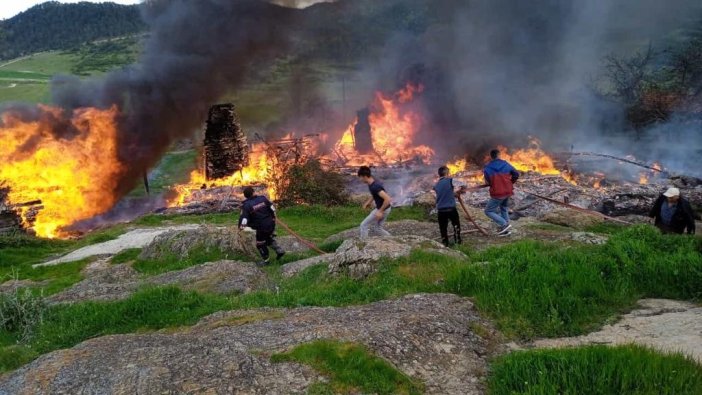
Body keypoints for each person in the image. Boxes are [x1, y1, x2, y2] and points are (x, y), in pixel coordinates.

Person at [238, 186, 285, 266]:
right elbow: (272, 209)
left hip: (261, 227)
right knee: (267, 238)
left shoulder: (246, 205)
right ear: (253, 192)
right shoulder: (263, 198)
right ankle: (279, 250)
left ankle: (266, 261)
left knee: (260, 244)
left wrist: (241, 227)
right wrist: (273, 219)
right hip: (271, 223)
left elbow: (244, 219)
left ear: (245, 196)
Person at [482, 149, 519, 235]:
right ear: (499, 155)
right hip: (508, 191)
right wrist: (510, 182)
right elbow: (516, 174)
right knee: (504, 208)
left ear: (491, 157)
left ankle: (504, 224)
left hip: (498, 193)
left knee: (488, 211)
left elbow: (488, 182)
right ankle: (506, 229)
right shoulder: (505, 164)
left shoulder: (487, 168)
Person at [433, 165, 466, 246]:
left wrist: (453, 194)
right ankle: (458, 241)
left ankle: (445, 244)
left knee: (443, 228)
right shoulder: (450, 180)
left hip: (441, 211)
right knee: (456, 225)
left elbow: (440, 195)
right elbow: (464, 184)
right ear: (447, 173)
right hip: (451, 209)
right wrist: (460, 191)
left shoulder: (436, 185)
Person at [358, 166, 393, 239]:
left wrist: (380, 211)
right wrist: (368, 202)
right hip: (387, 208)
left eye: (360, 177)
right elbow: (375, 194)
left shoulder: (375, 186)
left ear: (364, 177)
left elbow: (388, 199)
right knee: (377, 228)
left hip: (383, 209)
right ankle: (392, 239)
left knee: (363, 225)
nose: (360, 179)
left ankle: (363, 243)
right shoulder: (372, 183)